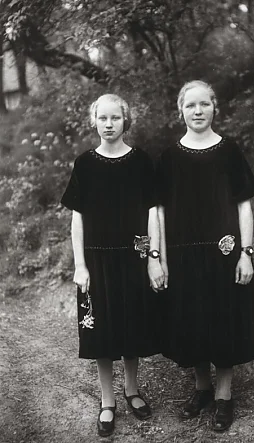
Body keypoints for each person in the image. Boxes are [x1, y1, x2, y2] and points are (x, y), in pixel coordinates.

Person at [156, 80, 254, 432]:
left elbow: (244, 206)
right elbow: (157, 211)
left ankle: (224, 396)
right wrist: (158, 258)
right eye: (191, 106)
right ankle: (202, 388)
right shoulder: (169, 158)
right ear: (180, 111)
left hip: (224, 255)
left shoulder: (229, 151)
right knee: (192, 322)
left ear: (215, 108)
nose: (198, 111)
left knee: (222, 321)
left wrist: (246, 253)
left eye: (204, 104)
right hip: (184, 256)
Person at [61, 94, 165, 437]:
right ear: (94, 121)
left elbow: (152, 213)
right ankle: (108, 401)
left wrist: (153, 259)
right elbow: (78, 219)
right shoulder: (85, 164)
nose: (109, 124)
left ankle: (131, 390)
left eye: (115, 118)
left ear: (125, 121)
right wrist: (81, 265)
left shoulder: (140, 162)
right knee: (101, 332)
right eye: (102, 118)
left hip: (132, 258)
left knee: (131, 327)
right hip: (97, 260)